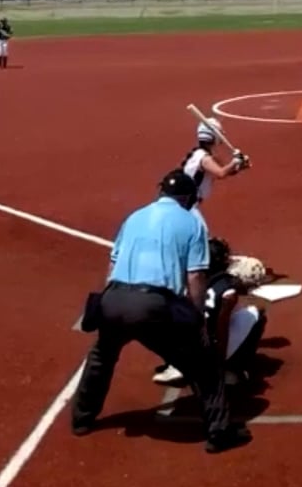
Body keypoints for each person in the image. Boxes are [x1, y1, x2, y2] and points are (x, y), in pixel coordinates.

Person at [69, 171, 249, 453]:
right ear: (187, 199)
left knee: (101, 356)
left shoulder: (134, 217)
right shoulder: (191, 223)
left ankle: (82, 418)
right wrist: (197, 319)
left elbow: (113, 266)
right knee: (203, 363)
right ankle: (220, 432)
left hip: (113, 298)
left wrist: (110, 304)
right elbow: (195, 276)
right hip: (152, 305)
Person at [155, 239, 275, 388]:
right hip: (206, 351)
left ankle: (176, 366)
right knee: (257, 313)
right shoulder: (227, 289)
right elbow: (221, 331)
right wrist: (219, 366)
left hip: (179, 347)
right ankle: (230, 371)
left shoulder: (185, 278)